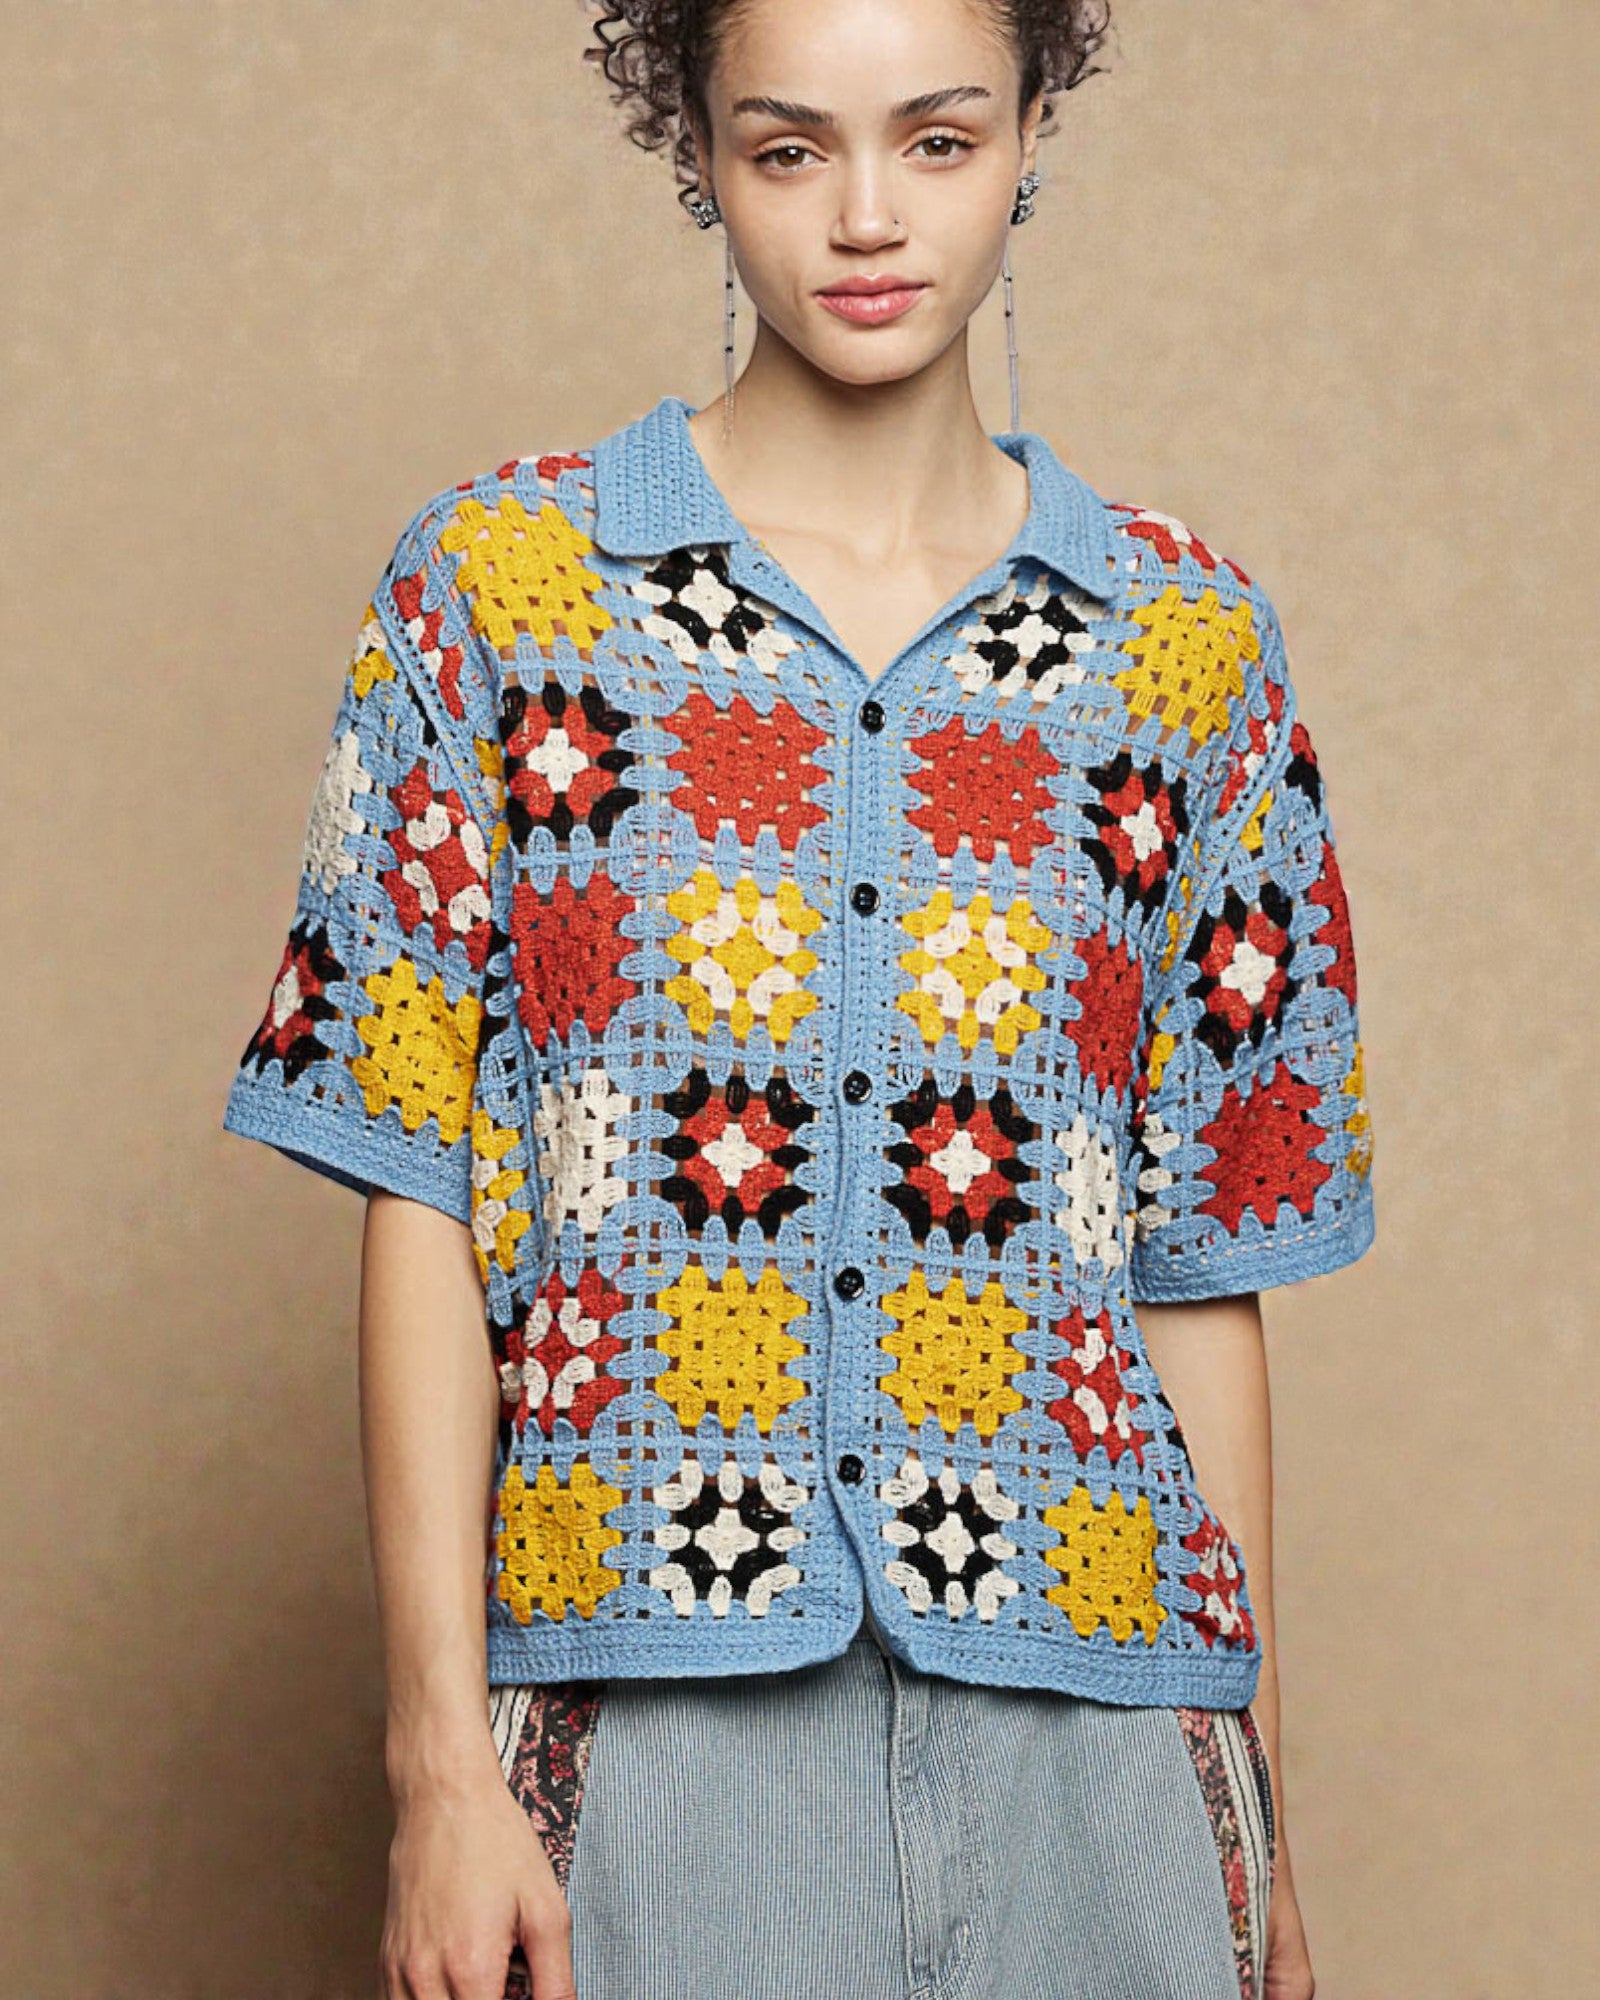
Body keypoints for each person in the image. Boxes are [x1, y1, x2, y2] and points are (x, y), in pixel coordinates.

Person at [220, 2, 1377, 1996]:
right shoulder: (504, 591)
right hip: (645, 1723)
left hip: (1105, 1739)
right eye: (785, 149)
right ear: (692, 148)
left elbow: (1198, 1265)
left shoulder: (1185, 651)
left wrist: (1253, 1819)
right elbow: (413, 1180)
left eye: (934, 142)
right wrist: (437, 1766)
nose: (864, 216)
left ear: (1030, 135)